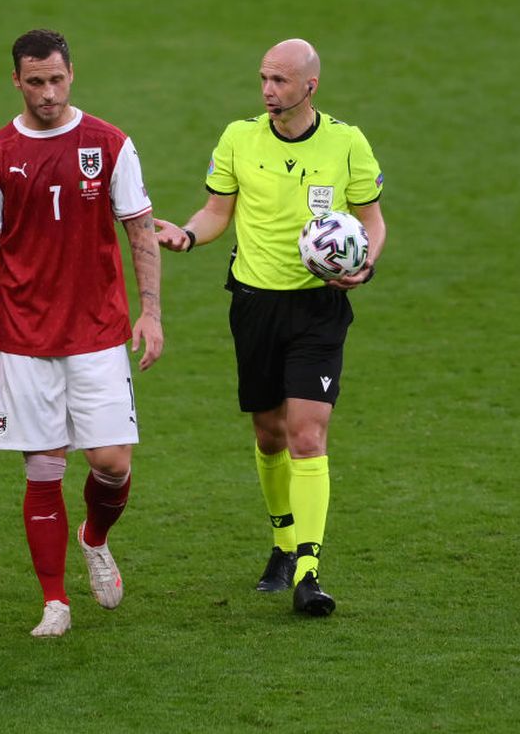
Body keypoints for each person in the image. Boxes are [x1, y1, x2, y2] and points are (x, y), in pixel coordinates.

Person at [156, 38, 386, 617]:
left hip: (318, 309)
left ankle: (308, 569)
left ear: (310, 86)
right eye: (263, 78)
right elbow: (217, 211)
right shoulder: (239, 138)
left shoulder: (347, 143)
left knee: (308, 434)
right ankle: (282, 542)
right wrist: (188, 234)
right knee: (269, 434)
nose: (267, 90)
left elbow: (372, 220)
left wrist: (365, 264)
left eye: (279, 81)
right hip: (254, 303)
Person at [0, 29, 163, 638]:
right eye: (35, 82)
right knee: (43, 469)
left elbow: (141, 231)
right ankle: (55, 602)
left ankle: (94, 537)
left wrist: (150, 312)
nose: (48, 93)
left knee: (111, 463)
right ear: (16, 81)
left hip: (98, 332)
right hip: (23, 340)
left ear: (71, 75)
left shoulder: (110, 144)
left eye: (56, 80)